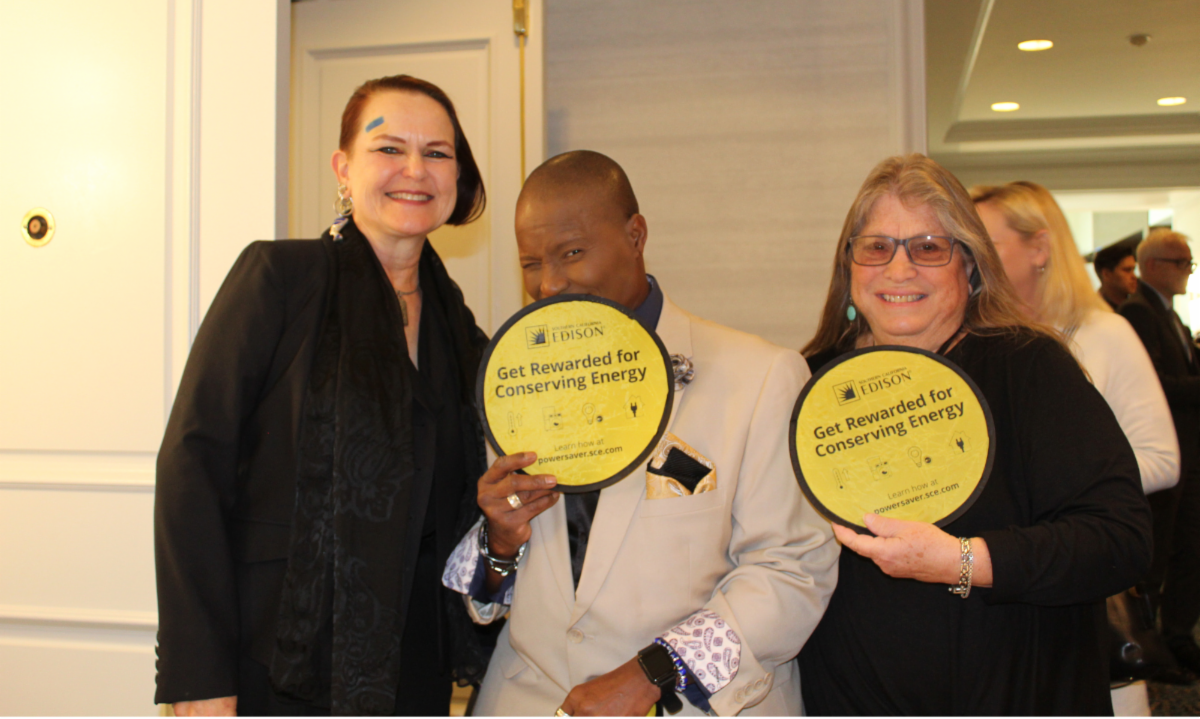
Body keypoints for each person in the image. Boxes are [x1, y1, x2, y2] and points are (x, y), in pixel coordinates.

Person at [442, 150, 840, 716]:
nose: (549, 283)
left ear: (635, 236)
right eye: (531, 263)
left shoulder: (760, 377)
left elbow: (792, 568)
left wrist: (653, 672)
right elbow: (499, 594)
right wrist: (500, 542)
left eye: (572, 253)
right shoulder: (518, 383)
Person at [155, 75, 492, 716]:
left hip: (415, 670)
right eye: (388, 148)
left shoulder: (461, 331)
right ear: (344, 169)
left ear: (456, 176)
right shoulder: (279, 279)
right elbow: (191, 470)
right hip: (276, 662)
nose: (415, 170)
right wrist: (198, 678)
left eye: (437, 152)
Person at [796, 154, 1152, 715]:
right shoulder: (807, 381)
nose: (898, 269)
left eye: (928, 247)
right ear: (849, 265)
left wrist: (962, 561)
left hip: (1016, 695)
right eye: (876, 246)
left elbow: (1119, 540)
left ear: (972, 265)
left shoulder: (1030, 368)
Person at [972, 180, 1180, 713]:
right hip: (1003, 592)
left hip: (1081, 581)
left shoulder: (1103, 334)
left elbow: (1162, 459)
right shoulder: (978, 345)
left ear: (1039, 248)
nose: (970, 260)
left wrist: (1056, 491)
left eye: (985, 244)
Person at [1119, 228, 1200, 678]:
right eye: (1181, 262)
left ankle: (1178, 637)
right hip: (1163, 452)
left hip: (1187, 450)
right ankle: (1148, 645)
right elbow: (1156, 387)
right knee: (1158, 552)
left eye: (1190, 262)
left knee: (1189, 546)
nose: (1188, 270)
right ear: (1153, 266)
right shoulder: (1138, 312)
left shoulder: (1171, 315)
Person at [1096, 242, 1140, 312]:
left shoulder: (1139, 307)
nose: (1134, 277)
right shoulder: (1093, 310)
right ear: (1106, 274)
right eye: (1127, 270)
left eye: (1133, 270)